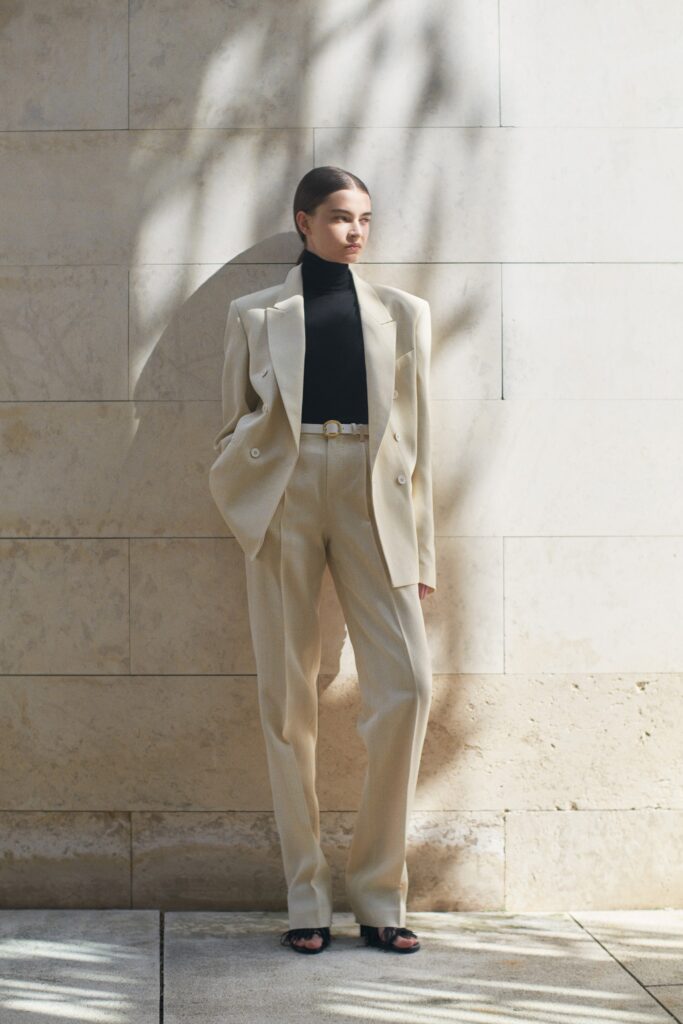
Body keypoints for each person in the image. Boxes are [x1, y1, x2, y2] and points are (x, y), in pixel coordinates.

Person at [209, 165, 436, 955]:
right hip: (285, 489)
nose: (356, 231)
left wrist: (423, 547)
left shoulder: (403, 314)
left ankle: (379, 894)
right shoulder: (254, 312)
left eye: (365, 218)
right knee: (287, 698)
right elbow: (231, 416)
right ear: (303, 222)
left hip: (375, 493)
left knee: (407, 686)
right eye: (340, 217)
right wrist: (242, 488)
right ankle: (305, 895)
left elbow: (422, 443)